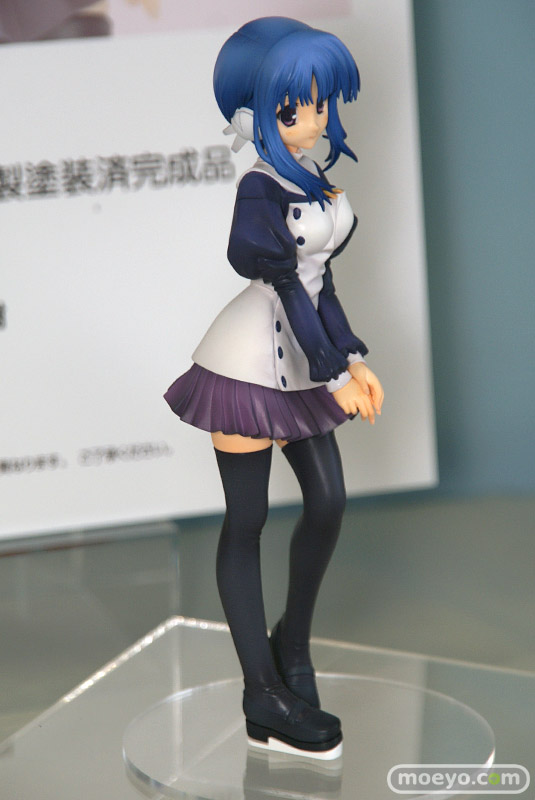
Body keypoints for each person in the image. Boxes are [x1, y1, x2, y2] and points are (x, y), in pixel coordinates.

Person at [164, 16, 384, 759]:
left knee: (328, 499)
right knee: (247, 519)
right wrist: (334, 375)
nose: (313, 121)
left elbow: (323, 286)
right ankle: (261, 692)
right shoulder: (259, 191)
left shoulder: (311, 178)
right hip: (248, 361)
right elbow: (287, 288)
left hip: (308, 352)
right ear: (259, 112)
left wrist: (352, 357)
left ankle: (292, 642)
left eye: (320, 105)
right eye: (294, 110)